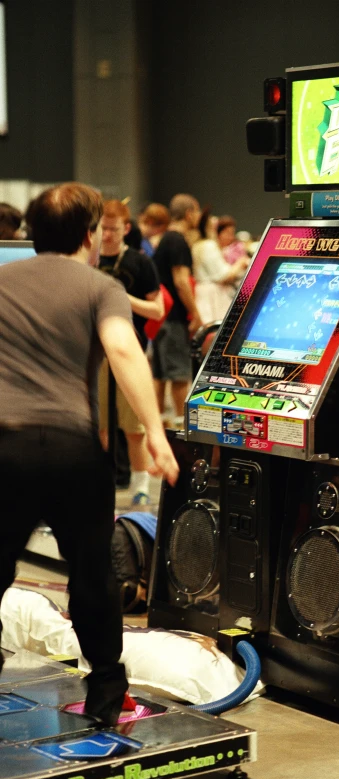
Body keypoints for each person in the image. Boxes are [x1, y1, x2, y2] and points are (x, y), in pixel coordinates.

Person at [0, 182, 179, 726]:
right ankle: (104, 692)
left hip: (5, 447)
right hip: (75, 453)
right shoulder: (100, 287)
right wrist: (155, 430)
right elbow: (124, 349)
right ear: (88, 236)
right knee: (91, 573)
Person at [98, 199, 164, 505]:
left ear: (125, 228)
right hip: (95, 353)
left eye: (113, 229)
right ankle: (101, 481)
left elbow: (157, 309)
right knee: (99, 426)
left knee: (133, 425)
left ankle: (140, 483)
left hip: (131, 350)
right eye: (102, 228)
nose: (107, 234)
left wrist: (122, 298)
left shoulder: (140, 263)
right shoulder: (89, 261)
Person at [152, 193, 202, 421]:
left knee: (161, 376)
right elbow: (181, 281)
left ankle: (159, 428)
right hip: (173, 319)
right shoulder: (178, 240)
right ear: (190, 213)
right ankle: (186, 431)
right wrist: (196, 313)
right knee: (180, 376)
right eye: (197, 212)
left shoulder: (165, 239)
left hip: (163, 318)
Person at [192, 208, 249, 323]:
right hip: (211, 298)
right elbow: (223, 275)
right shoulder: (208, 245)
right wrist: (241, 262)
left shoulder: (199, 244)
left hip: (206, 295)